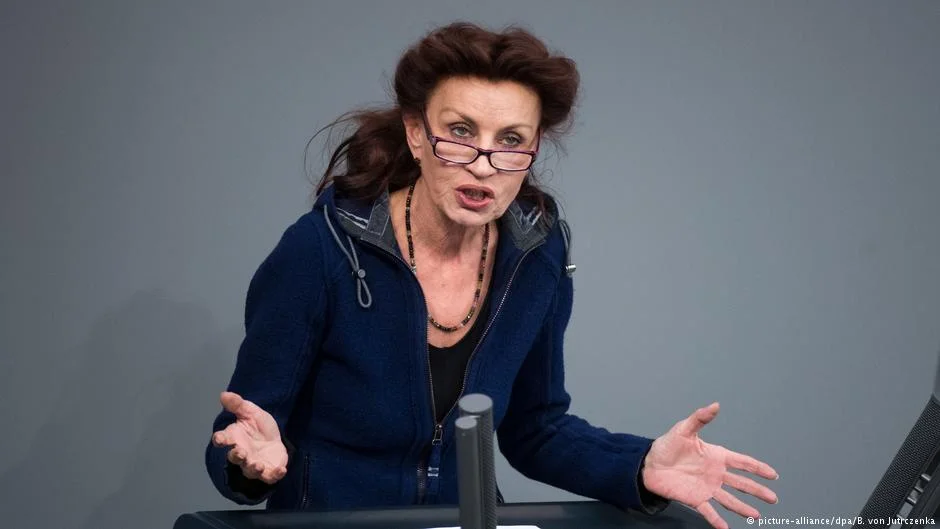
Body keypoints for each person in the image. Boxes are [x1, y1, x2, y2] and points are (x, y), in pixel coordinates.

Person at [205, 21, 779, 529]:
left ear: (533, 149)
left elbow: (537, 429)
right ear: (416, 133)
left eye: (510, 140)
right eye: (460, 131)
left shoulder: (538, 254)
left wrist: (640, 465)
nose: (483, 163)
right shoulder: (320, 250)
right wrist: (249, 462)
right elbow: (242, 432)